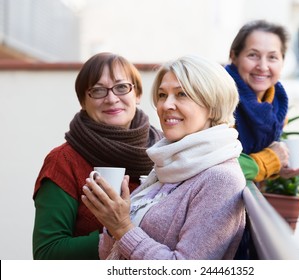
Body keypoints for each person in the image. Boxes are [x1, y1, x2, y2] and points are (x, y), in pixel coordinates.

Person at [82, 54, 246, 260]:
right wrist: (112, 222)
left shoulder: (220, 179)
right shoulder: (170, 164)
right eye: (162, 95)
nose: (165, 105)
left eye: (181, 94)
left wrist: (122, 226)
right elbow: (110, 255)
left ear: (212, 105)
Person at [32, 52, 163, 260]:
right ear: (83, 101)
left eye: (121, 87)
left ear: (137, 94)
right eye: (98, 90)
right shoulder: (64, 161)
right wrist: (115, 231)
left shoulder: (166, 151)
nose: (112, 99)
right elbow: (47, 254)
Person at [225, 19, 299, 183]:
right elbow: (211, 166)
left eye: (272, 57)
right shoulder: (218, 98)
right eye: (253, 55)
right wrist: (269, 160)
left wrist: (278, 167)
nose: (263, 66)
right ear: (234, 56)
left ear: (282, 61)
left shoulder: (276, 107)